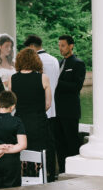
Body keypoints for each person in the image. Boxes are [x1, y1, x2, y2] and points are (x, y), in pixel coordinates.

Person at [22, 34, 60, 180]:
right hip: (52, 110)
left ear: (32, 46)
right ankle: (51, 172)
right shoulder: (55, 60)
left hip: (37, 112)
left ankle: (36, 174)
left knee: (35, 146)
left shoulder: (33, 62)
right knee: (50, 145)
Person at [11, 48, 52, 174]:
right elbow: (48, 104)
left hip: (19, 122)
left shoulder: (13, 78)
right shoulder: (43, 78)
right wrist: (37, 110)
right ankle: (40, 178)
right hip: (38, 121)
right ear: (36, 61)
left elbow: (12, 104)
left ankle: (24, 178)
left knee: (22, 153)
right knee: (39, 152)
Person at [54, 34, 86, 171]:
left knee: (72, 143)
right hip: (57, 112)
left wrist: (56, 82)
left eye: (63, 45)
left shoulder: (78, 64)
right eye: (59, 46)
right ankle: (62, 171)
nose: (61, 48)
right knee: (59, 144)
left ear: (71, 46)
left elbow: (76, 87)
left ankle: (75, 171)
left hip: (70, 111)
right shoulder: (59, 63)